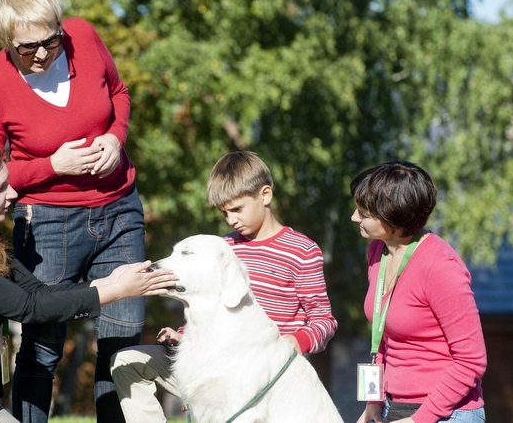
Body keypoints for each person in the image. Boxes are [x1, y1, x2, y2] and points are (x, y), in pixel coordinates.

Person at [0, 138, 177, 423]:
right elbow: (29, 307)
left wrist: (106, 282)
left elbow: (38, 292)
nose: (12, 194)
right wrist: (115, 291)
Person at [0, 0, 145, 422]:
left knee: (122, 341)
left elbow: (119, 93)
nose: (44, 54)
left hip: (120, 205)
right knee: (43, 346)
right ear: (7, 41)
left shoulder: (84, 36)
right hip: (47, 221)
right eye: (28, 48)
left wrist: (114, 136)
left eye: (51, 40)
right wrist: (53, 165)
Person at [110, 151, 338, 422]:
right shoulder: (221, 247)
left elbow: (324, 319)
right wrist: (184, 334)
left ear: (265, 195)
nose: (230, 220)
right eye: (224, 212)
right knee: (125, 362)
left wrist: (296, 341)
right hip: (205, 361)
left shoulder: (302, 250)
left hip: (263, 377)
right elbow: (207, 304)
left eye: (237, 209)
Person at [350, 160, 486, 423]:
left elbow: (472, 360)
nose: (354, 218)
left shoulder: (440, 266)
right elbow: (383, 335)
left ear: (394, 218)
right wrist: (374, 402)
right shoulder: (377, 251)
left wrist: (419, 420)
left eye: (364, 213)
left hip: (447, 414)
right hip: (393, 408)